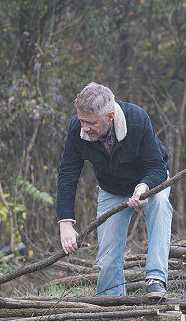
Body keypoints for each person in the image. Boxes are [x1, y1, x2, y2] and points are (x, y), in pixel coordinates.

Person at [56, 82, 172, 298]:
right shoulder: (76, 129)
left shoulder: (137, 120)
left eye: (91, 123)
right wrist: (65, 223)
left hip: (150, 182)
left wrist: (143, 187)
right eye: (82, 121)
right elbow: (67, 175)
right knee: (108, 255)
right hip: (112, 188)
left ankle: (156, 280)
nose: (85, 128)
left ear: (110, 116)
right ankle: (112, 299)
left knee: (160, 204)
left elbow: (157, 167)